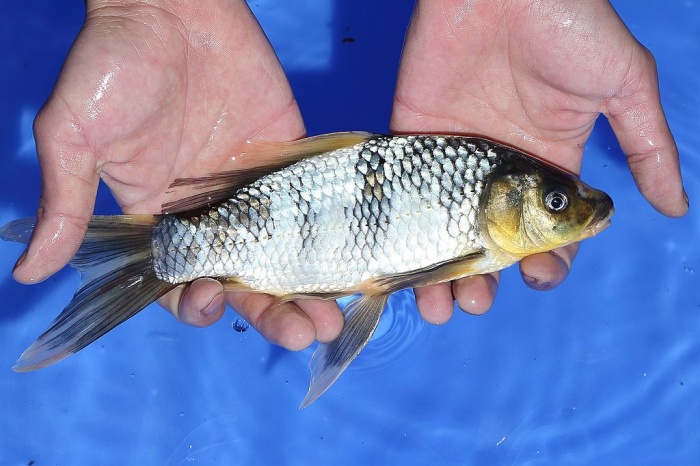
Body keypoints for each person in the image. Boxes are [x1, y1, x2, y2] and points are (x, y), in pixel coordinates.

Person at [11, 0, 688, 351]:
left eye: (560, 201)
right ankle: (156, 255)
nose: (573, 208)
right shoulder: (485, 242)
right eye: (556, 201)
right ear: (504, 201)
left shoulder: (487, 233)